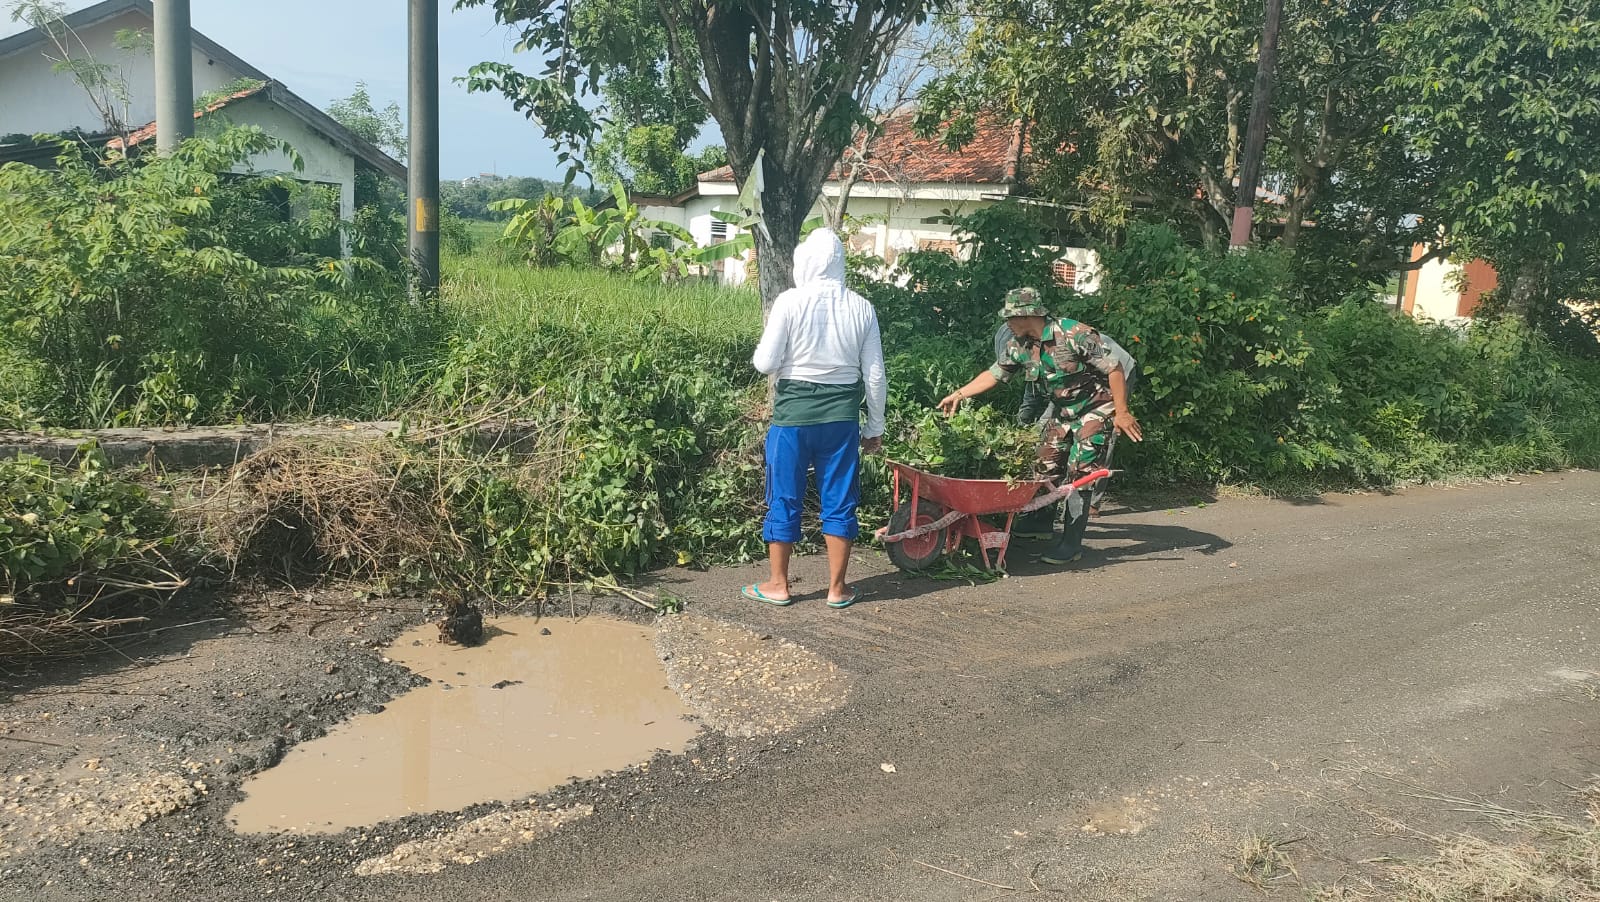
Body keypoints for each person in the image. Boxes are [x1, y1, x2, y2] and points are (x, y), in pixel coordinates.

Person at [943, 288, 1142, 565]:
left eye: (1010, 317)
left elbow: (1115, 368)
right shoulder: (1021, 345)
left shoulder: (1074, 334)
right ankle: (1039, 523)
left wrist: (1122, 412)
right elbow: (995, 373)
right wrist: (959, 394)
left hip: (1096, 407)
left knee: (1080, 471)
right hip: (1064, 411)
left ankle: (1071, 544)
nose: (1007, 323)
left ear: (1027, 315)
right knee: (1044, 463)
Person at [744, 229, 887, 608]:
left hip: (792, 420)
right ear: (840, 264)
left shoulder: (789, 301)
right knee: (839, 500)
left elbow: (765, 363)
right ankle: (837, 590)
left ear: (805, 260)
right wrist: (874, 428)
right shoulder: (862, 308)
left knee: (784, 496)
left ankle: (778, 585)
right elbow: (874, 375)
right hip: (841, 423)